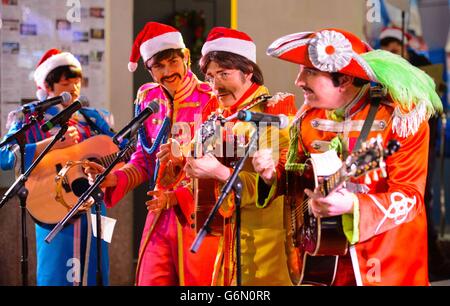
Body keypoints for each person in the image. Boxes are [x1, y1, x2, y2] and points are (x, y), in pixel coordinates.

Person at [252, 28, 443, 285]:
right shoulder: (309, 117)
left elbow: (411, 199)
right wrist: (271, 174)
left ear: (343, 80)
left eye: (309, 72)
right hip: (323, 260)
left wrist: (354, 205)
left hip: (386, 262)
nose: (298, 81)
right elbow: (298, 176)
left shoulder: (400, 118)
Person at [84, 22, 219, 286]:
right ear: (148, 69)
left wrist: (175, 196)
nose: (168, 72)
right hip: (159, 211)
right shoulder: (147, 98)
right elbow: (144, 158)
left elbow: (218, 166)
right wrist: (115, 178)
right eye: (159, 66)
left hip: (199, 214)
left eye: (172, 62)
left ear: (186, 58)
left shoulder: (210, 97)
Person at [184, 27, 297, 285]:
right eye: (211, 76)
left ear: (248, 72)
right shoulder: (220, 116)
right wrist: (179, 156)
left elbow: (270, 187)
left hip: (265, 251)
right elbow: (192, 157)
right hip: (230, 245)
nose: (215, 85)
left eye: (224, 74)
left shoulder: (272, 114)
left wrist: (217, 172)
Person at [0, 49, 115, 285]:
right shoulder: (32, 119)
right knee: (57, 275)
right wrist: (48, 145)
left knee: (98, 271)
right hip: (52, 208)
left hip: (96, 208)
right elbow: (4, 156)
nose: (73, 88)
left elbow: (121, 147)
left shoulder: (93, 118)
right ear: (48, 87)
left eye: (77, 82)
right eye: (65, 83)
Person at [379, 26, 450, 281]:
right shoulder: (381, 70)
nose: (391, 53)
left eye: (395, 49)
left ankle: (431, 260)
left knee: (421, 198)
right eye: (386, 49)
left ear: (406, 48)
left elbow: (434, 100)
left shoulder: (421, 68)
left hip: (421, 142)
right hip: (390, 144)